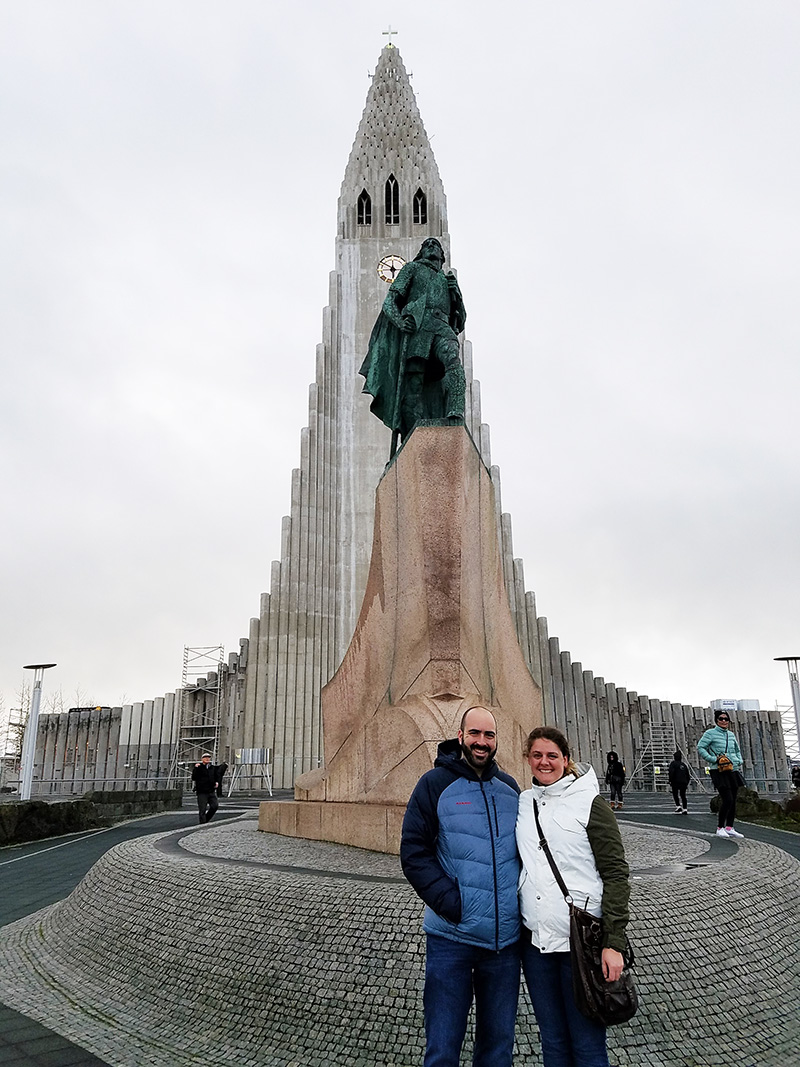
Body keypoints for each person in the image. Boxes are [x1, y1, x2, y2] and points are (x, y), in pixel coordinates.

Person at [400, 706, 521, 1067]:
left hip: (504, 946)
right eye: (475, 734)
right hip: (451, 941)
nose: (481, 742)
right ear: (461, 735)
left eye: (489, 735)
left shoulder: (511, 790)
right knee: (442, 1048)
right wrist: (452, 903)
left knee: (498, 1049)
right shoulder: (433, 784)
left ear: (496, 740)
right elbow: (414, 852)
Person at [516, 727, 631, 1067]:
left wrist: (614, 942)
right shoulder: (524, 802)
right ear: (528, 760)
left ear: (566, 760)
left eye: (552, 755)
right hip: (535, 944)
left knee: (587, 1045)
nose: (544, 762)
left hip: (580, 944)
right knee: (552, 1042)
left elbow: (615, 873)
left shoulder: (590, 803)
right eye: (537, 755)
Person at [360, 237, 467, 454]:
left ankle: (455, 413)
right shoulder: (412, 269)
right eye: (426, 245)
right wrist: (400, 321)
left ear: (442, 254)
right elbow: (389, 302)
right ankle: (412, 439)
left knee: (453, 359)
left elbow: (461, 321)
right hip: (419, 330)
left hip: (442, 327)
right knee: (413, 385)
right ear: (421, 253)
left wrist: (457, 296)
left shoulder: (447, 280)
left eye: (435, 245)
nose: (430, 247)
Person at [697, 710, 745, 839]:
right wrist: (713, 759)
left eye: (726, 719)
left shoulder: (731, 734)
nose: (724, 721)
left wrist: (739, 760)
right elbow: (700, 747)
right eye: (721, 718)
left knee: (733, 799)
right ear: (716, 720)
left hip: (733, 769)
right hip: (718, 770)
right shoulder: (710, 733)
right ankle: (720, 827)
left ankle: (730, 827)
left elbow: (736, 749)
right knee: (727, 798)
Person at [191, 753, 220, 824]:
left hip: (211, 790)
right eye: (205, 757)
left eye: (208, 757)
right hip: (202, 792)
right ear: (202, 759)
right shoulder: (199, 767)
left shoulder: (212, 768)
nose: (207, 759)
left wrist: (217, 782)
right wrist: (195, 768)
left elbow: (216, 776)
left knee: (215, 806)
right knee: (202, 809)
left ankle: (206, 819)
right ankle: (203, 823)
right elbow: (194, 777)